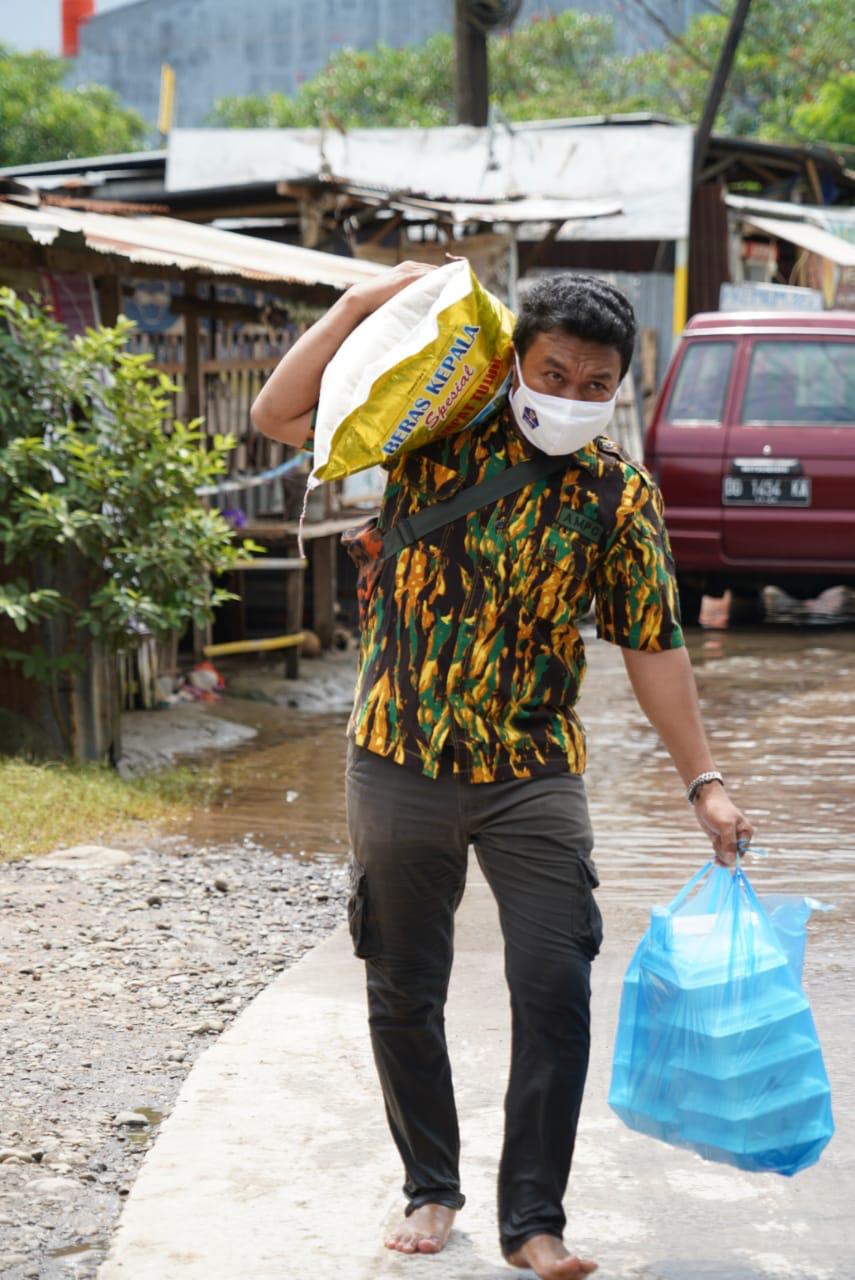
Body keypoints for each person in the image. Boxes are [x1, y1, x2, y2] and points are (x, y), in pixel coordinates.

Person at [252, 263, 755, 1280]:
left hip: (534, 768)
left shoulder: (619, 494)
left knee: (555, 977)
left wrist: (705, 778)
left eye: (594, 380)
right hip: (400, 752)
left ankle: (535, 1217)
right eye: (553, 369)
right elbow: (278, 413)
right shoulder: (436, 427)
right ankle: (429, 1185)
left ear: (621, 384)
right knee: (403, 980)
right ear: (517, 360)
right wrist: (356, 308)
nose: (569, 393)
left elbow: (652, 644)